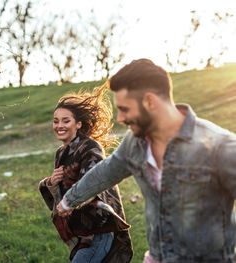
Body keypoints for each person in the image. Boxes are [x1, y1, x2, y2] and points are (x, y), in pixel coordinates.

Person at [57, 58, 236, 263]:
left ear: (150, 102)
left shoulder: (219, 147)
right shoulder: (135, 143)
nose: (121, 118)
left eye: (125, 109)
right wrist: (70, 199)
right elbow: (106, 171)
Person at [39, 84, 133, 263]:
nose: (59, 125)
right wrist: (51, 182)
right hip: (81, 231)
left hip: (98, 230)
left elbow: (93, 184)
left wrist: (71, 200)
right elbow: (60, 191)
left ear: (78, 124)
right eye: (56, 121)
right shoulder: (61, 152)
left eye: (66, 121)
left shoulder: (91, 147)